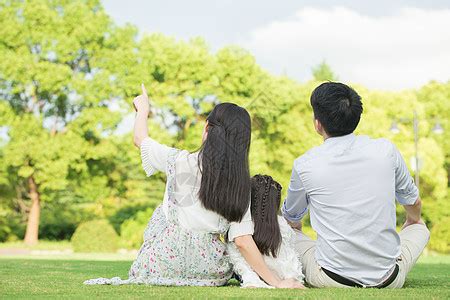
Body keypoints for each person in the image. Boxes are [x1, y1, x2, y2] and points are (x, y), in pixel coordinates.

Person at [84, 84, 301, 288]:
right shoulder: (239, 185)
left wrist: (142, 109)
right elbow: (243, 240)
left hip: (162, 264)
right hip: (210, 272)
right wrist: (276, 281)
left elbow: (140, 138)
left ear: (207, 128)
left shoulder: (177, 160)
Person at [282, 82, 430, 288]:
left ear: (318, 124)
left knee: (284, 229)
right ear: (355, 118)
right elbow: (413, 203)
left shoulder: (305, 164)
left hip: (330, 279)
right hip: (389, 280)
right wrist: (412, 222)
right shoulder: (386, 150)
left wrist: (296, 229)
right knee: (420, 228)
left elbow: (291, 219)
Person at [228, 175, 305, 288]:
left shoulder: (241, 226)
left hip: (250, 272)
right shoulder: (281, 225)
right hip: (283, 273)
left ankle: (253, 280)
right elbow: (289, 255)